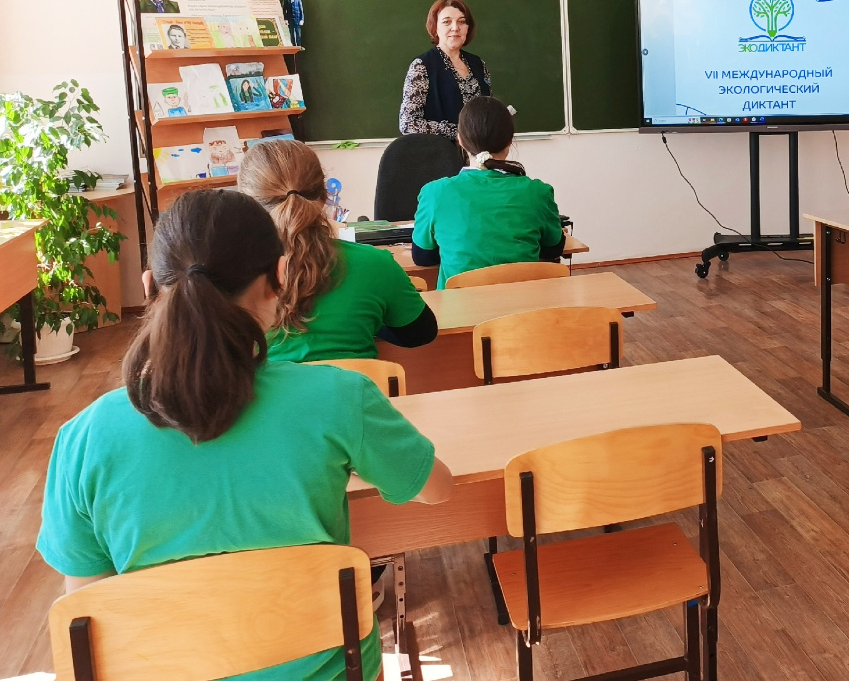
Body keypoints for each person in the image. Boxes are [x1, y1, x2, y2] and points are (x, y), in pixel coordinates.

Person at [36, 188, 453, 681]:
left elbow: (86, 607)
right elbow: (436, 489)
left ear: (149, 285)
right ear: (280, 276)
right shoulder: (339, 397)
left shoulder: (83, 438)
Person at [239, 140, 438, 363]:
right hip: (359, 385)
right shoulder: (374, 263)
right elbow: (420, 334)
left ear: (245, 206)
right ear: (325, 195)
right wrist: (370, 319)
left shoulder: (229, 276)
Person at [412, 96, 565, 288]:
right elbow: (553, 249)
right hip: (523, 304)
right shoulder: (537, 192)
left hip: (459, 306)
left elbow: (423, 257)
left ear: (460, 139)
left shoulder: (434, 193)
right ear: (510, 140)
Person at [399, 0, 492, 137]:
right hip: (439, 150)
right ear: (435, 28)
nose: (455, 28)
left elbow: (488, 111)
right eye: (447, 22)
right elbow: (408, 123)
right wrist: (459, 133)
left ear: (468, 28)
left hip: (479, 150)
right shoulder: (422, 66)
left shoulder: (479, 64)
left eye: (462, 22)